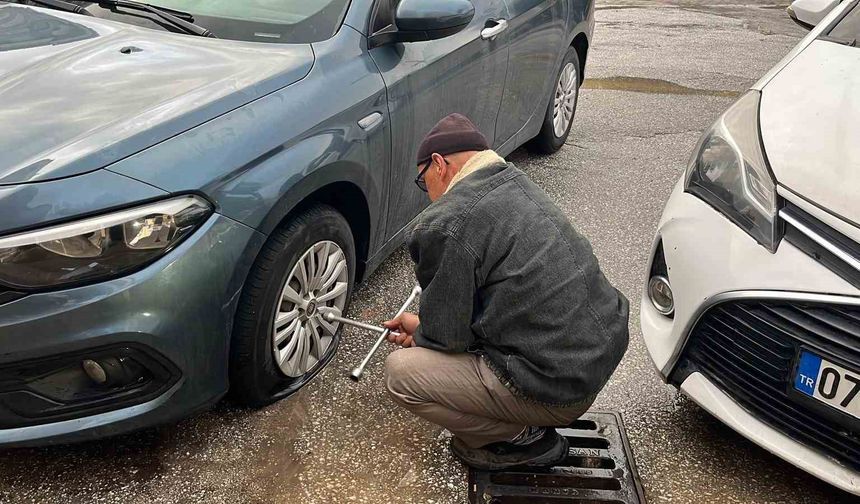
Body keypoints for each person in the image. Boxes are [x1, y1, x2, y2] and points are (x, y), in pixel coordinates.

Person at [383, 113, 629, 471]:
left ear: (439, 165)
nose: (428, 194)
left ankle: (520, 438)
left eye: (424, 182)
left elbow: (446, 338)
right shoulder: (513, 183)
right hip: (594, 357)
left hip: (557, 385)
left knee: (401, 373)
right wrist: (424, 326)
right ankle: (526, 418)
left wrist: (423, 334)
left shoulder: (447, 221)